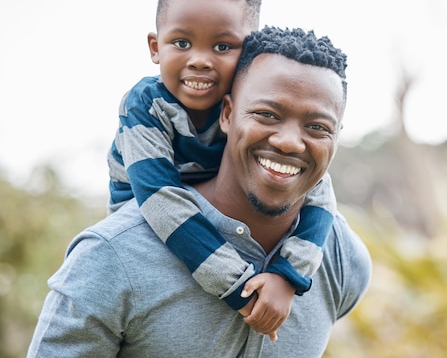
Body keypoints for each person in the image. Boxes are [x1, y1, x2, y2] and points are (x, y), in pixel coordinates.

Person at [27, 26, 371, 357]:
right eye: (267, 114)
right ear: (227, 114)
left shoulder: (344, 259)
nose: (289, 141)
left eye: (317, 127)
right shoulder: (112, 257)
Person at [105, 0, 340, 337]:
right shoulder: (144, 107)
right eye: (181, 42)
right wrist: (239, 287)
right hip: (148, 234)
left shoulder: (251, 113)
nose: (199, 61)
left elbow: (319, 191)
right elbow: (162, 203)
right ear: (154, 47)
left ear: (248, 52)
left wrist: (288, 276)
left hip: (224, 227)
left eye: (222, 47)